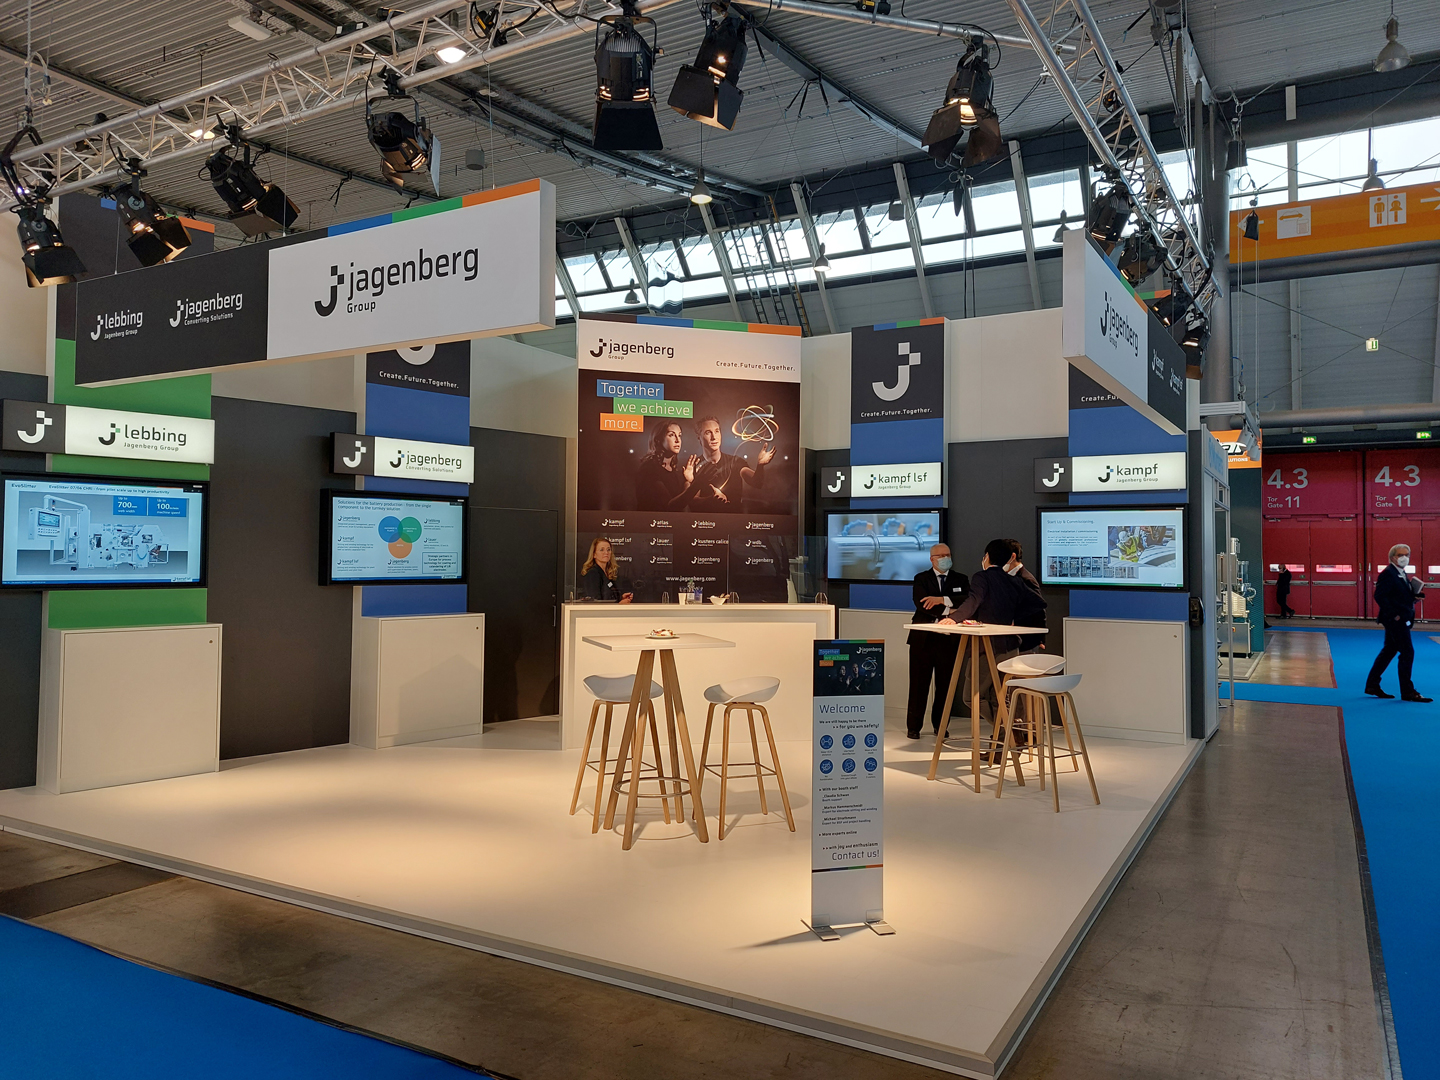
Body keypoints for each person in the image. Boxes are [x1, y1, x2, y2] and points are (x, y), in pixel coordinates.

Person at [941, 539, 1020, 730]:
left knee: (972, 697)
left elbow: (973, 600)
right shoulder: (1014, 581)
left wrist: (954, 618)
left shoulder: (982, 577)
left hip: (987, 646)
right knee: (998, 697)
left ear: (987, 557)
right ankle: (1005, 738)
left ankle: (1009, 732)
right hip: (1010, 646)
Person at [905, 543, 970, 740]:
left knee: (945, 686)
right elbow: (922, 604)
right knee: (918, 685)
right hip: (923, 640)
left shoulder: (961, 579)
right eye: (940, 556)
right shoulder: (921, 578)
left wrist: (942, 600)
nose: (945, 558)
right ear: (932, 559)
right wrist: (950, 610)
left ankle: (940, 726)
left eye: (947, 555)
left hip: (949, 640)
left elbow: (966, 600)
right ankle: (914, 727)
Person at [1365, 544, 1430, 702]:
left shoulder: (1401, 573)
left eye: (1407, 554)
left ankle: (1372, 684)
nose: (1404, 558)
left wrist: (1414, 597)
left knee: (1389, 651)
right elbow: (1380, 596)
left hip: (1400, 618)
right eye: (1401, 555)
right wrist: (1394, 615)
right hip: (1395, 620)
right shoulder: (1388, 574)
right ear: (1392, 557)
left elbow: (1397, 595)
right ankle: (1407, 691)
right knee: (1407, 653)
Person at [688, 415, 774, 514]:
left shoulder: (735, 462)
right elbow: (692, 502)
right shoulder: (693, 466)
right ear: (699, 438)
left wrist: (760, 466)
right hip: (706, 521)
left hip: (734, 521)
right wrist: (711, 499)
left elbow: (757, 482)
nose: (714, 437)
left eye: (717, 431)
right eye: (708, 433)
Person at [634, 421, 702, 511]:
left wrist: (690, 480)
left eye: (679, 435)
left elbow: (690, 502)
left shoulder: (675, 470)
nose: (677, 440)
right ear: (658, 440)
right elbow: (670, 507)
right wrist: (696, 484)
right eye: (671, 435)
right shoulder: (649, 469)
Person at [1003, 539, 1048, 652]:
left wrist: (1040, 638)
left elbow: (1039, 609)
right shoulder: (1006, 577)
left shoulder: (1025, 579)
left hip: (1025, 641)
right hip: (1012, 639)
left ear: (1012, 556)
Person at [579, 538, 633, 603]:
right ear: (594, 554)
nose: (606, 553)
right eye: (602, 550)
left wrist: (620, 598)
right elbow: (595, 602)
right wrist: (620, 605)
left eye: (608, 550)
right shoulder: (593, 574)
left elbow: (607, 598)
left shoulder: (607, 573)